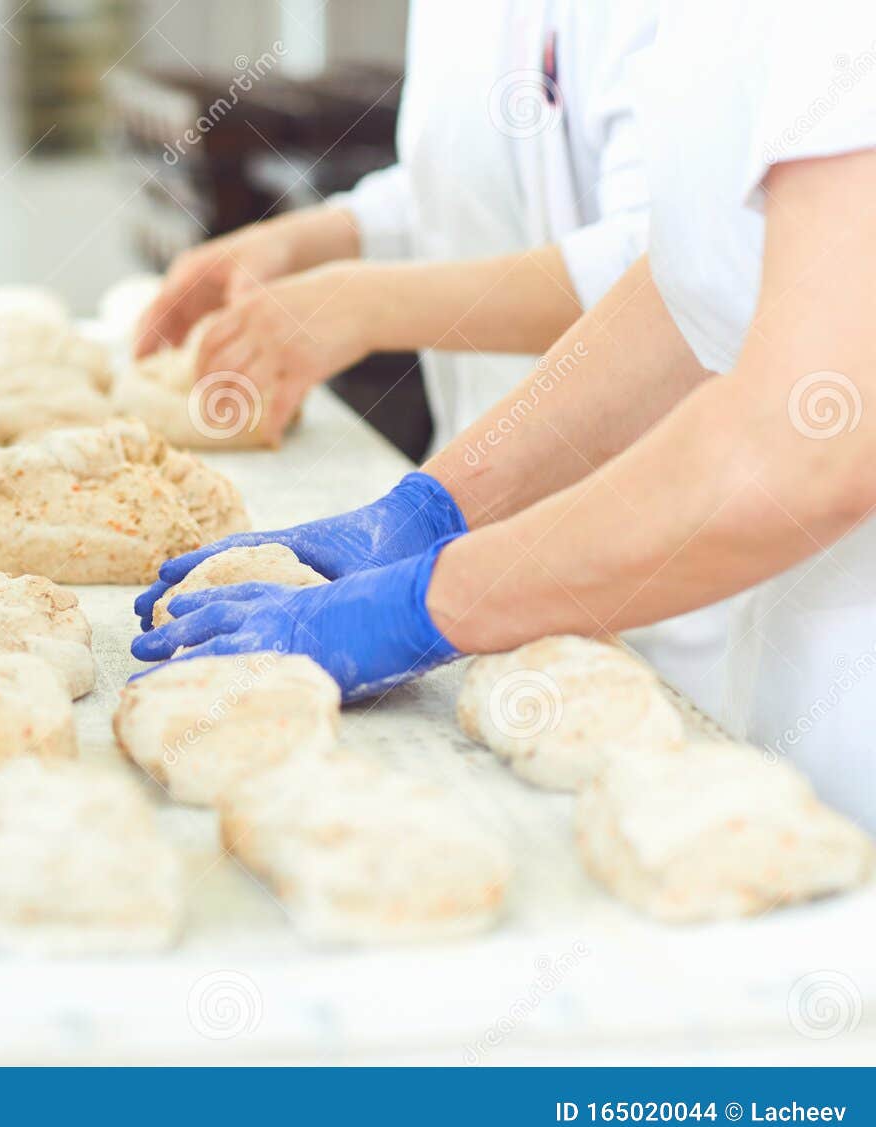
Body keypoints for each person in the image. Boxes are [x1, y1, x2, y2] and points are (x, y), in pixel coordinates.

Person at [132, 2, 876, 831]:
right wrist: (437, 508)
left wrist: (431, 602)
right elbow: (703, 284)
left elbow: (809, 443)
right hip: (796, 697)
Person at [133, 1, 735, 717]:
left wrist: (363, 305)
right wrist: (319, 237)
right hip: (483, 526)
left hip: (666, 591)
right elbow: (456, 175)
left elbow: (685, 272)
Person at [136, 0, 658, 453]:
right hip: (479, 481)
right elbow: (468, 179)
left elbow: (659, 270)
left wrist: (365, 305)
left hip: (643, 523)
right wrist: (306, 239)